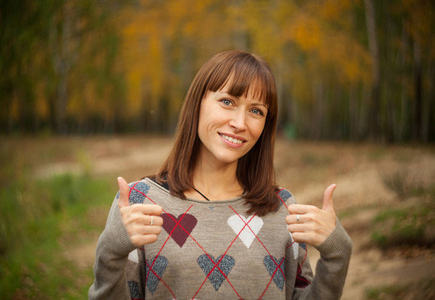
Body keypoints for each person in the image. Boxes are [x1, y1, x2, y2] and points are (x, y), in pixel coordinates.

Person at [89, 50, 352, 299]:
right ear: (197, 104)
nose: (240, 123)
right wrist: (111, 250)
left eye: (256, 111)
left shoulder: (282, 209)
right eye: (228, 102)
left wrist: (337, 252)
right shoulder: (139, 201)